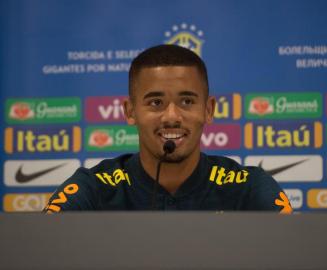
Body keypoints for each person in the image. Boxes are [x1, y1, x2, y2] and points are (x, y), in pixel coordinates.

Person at [43, 44, 292, 213]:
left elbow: (295, 253)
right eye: (155, 103)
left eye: (187, 101)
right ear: (130, 112)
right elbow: (39, 250)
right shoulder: (94, 189)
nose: (171, 116)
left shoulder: (248, 188)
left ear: (209, 110)